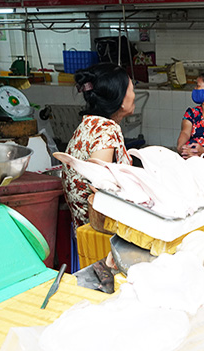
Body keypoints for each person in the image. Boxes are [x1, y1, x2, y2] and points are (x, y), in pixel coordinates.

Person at [62, 63, 135, 228]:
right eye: (131, 90)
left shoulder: (90, 123)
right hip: (100, 232)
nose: (134, 95)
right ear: (121, 99)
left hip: (84, 226)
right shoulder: (105, 132)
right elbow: (102, 190)